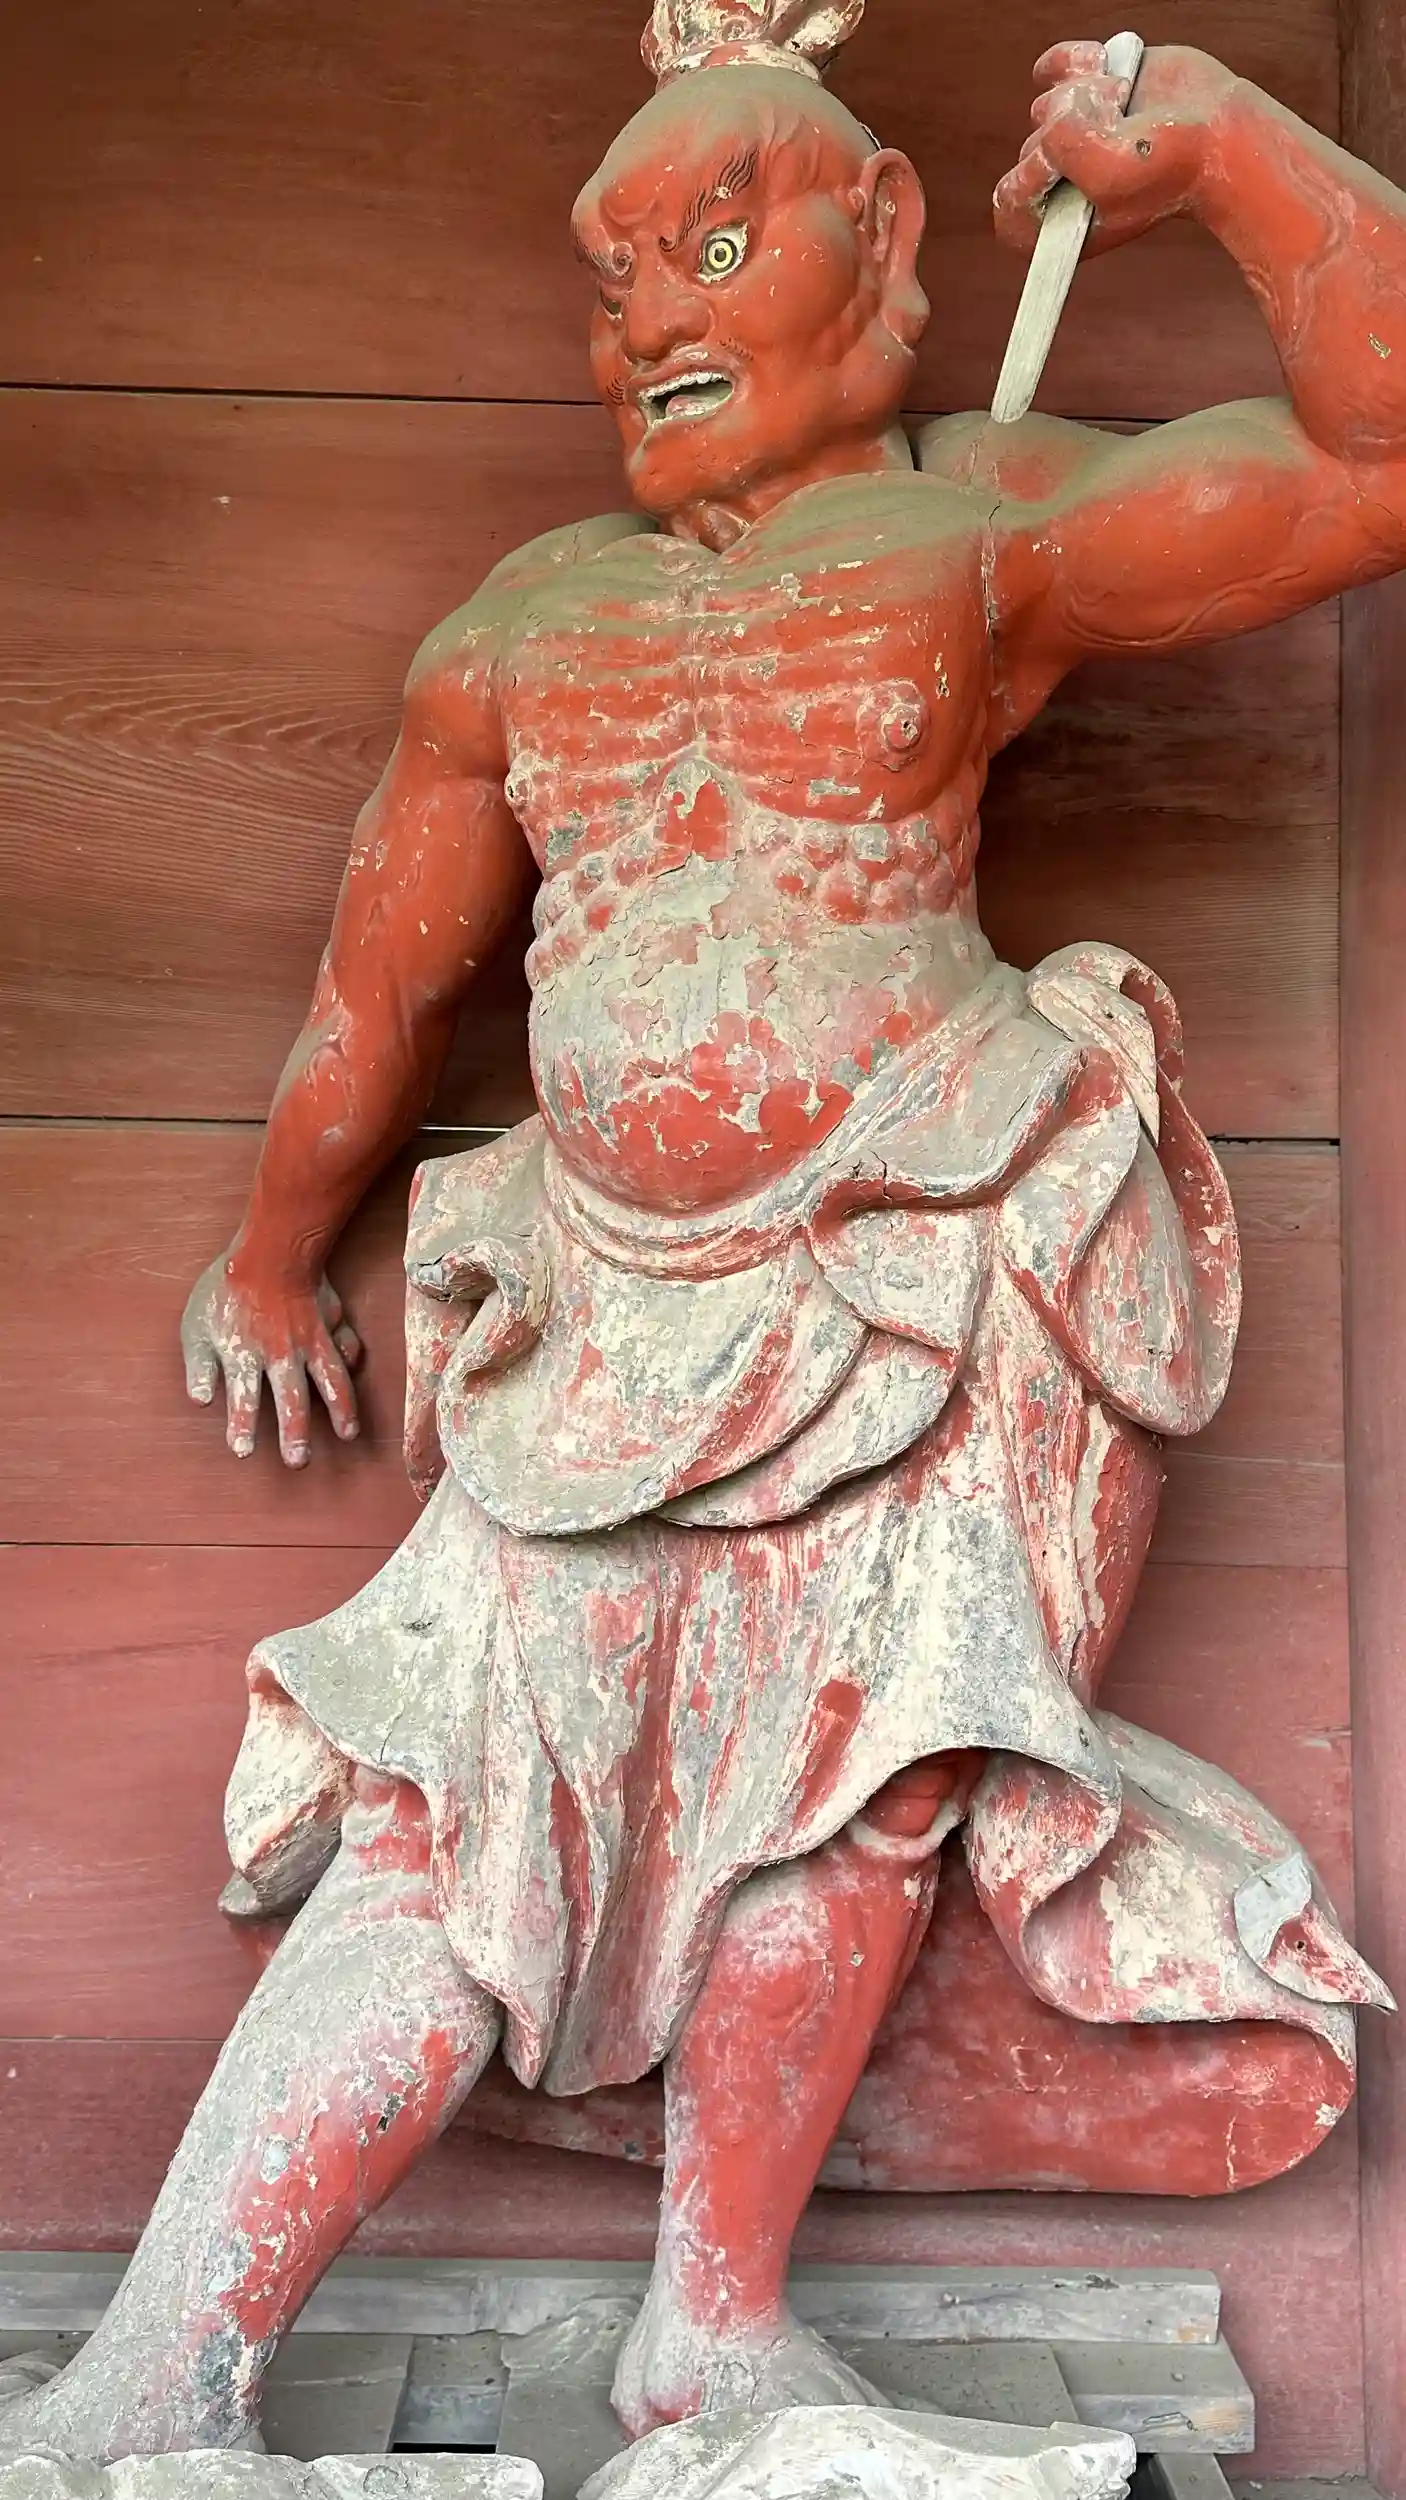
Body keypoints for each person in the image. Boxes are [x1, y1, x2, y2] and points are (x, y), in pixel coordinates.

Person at [10, 0, 1401, 2459]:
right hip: (601, 1323)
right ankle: (155, 2373)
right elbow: (379, 987)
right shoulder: (522, 620)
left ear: (881, 240)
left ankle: (715, 2334)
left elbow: (1376, 455)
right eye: (610, 273)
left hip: (927, 1248)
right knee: (448, 1809)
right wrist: (269, 1249)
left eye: (713, 245)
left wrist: (1224, 154)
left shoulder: (975, 532)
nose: (644, 316)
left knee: (863, 1775)